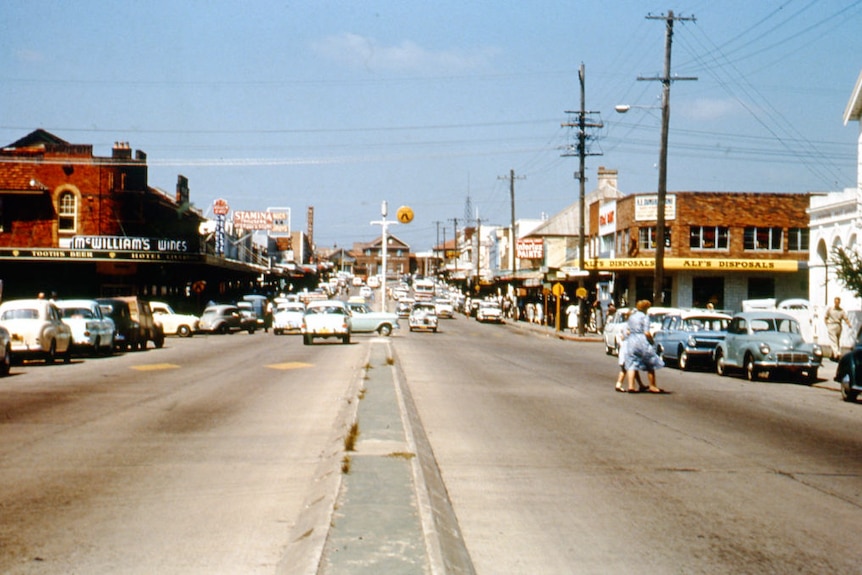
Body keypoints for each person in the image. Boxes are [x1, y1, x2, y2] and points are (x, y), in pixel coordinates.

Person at [625, 299, 666, 393]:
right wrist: (652, 341)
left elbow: (628, 330)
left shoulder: (632, 316)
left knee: (631, 363)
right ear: (646, 308)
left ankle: (631, 386)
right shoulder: (645, 317)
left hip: (631, 340)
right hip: (641, 340)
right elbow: (646, 332)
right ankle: (652, 386)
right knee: (650, 361)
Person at [824, 297, 852, 361]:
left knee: (836, 341)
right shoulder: (830, 309)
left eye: (838, 302)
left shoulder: (841, 310)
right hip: (831, 325)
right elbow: (826, 317)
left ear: (839, 302)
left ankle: (836, 354)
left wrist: (849, 324)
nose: (836, 303)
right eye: (836, 302)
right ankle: (834, 354)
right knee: (834, 340)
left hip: (838, 326)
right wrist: (827, 324)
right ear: (834, 302)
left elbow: (845, 318)